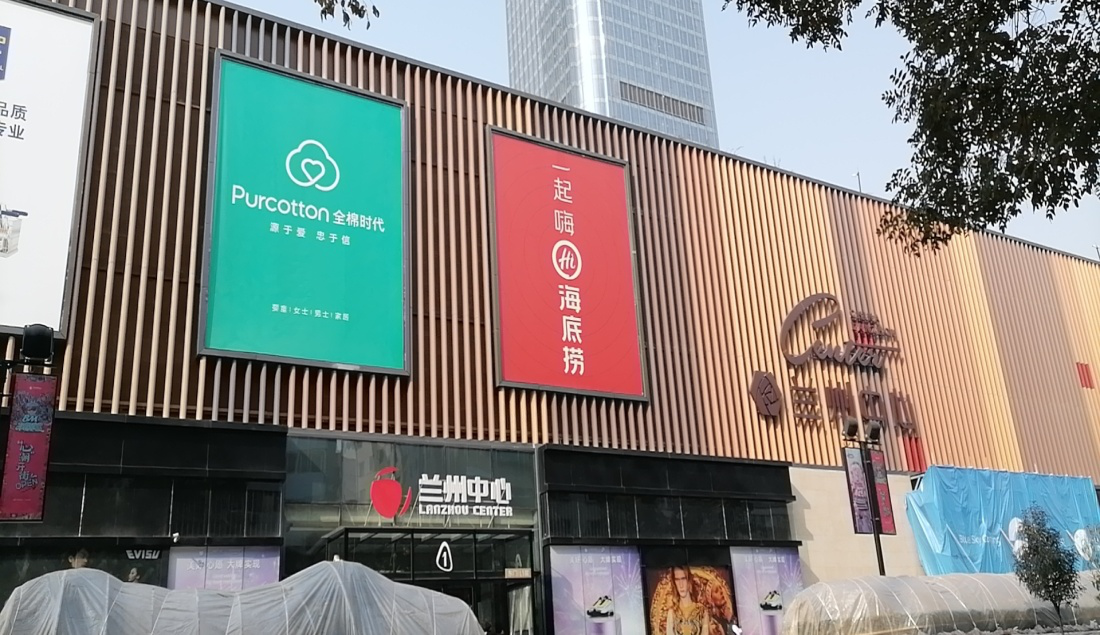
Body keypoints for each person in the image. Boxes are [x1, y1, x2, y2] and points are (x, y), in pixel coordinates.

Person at [665, 566, 711, 635]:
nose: (681, 585)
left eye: (683, 579)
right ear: (674, 583)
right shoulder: (672, 613)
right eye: (677, 580)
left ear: (689, 580)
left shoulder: (702, 611)